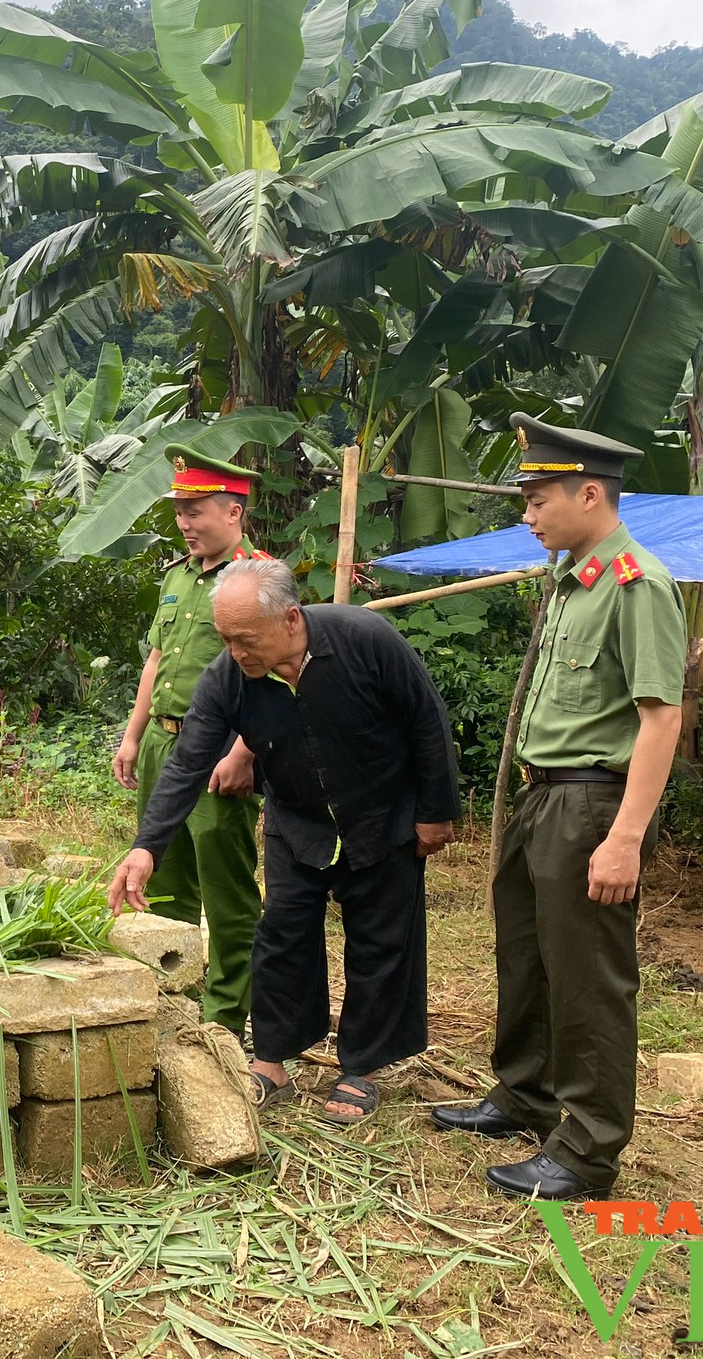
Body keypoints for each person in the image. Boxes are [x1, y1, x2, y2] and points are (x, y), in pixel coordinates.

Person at [109, 557, 461, 1127]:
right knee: (282, 934)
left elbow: (426, 720)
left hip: (381, 813)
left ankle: (361, 1067)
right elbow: (188, 761)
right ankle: (272, 1060)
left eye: (244, 639)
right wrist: (147, 845)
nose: (235, 652)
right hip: (297, 820)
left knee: (379, 939)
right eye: (224, 639)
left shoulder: (364, 639)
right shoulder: (228, 676)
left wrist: (435, 813)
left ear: (291, 620)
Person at [431, 414, 684, 1199]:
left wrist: (625, 837)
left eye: (539, 498)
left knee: (589, 977)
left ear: (588, 492)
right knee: (528, 956)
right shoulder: (572, 580)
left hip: (589, 806)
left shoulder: (637, 584)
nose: (528, 514)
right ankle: (524, 1094)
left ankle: (585, 1151)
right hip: (543, 798)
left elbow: (660, 717)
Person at [111, 450, 269, 1036]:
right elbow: (156, 660)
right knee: (163, 876)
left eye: (195, 510)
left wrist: (244, 752)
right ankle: (173, 1001)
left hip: (218, 753)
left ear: (233, 511)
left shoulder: (259, 580)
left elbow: (275, 675)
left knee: (225, 893)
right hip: (161, 744)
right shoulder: (178, 576)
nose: (184, 522)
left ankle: (225, 1017)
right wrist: (132, 737)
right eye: (179, 510)